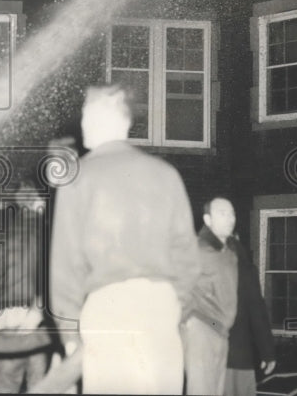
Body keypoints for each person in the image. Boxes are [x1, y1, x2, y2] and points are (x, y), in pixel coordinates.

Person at [50, 85, 200, 395]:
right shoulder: (166, 174)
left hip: (108, 311)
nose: (82, 124)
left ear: (114, 120)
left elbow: (65, 267)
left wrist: (68, 335)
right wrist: (174, 308)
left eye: (87, 115)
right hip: (160, 310)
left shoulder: (77, 177)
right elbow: (187, 257)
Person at [0, 177, 51, 393]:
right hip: (38, 323)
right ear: (38, 200)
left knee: (5, 387)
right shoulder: (49, 232)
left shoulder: (0, 234)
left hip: (6, 322)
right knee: (39, 387)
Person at [184, 198, 240, 395]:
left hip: (220, 330)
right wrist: (188, 320)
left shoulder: (229, 252)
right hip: (202, 327)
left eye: (232, 213)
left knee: (215, 390)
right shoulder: (198, 249)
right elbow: (177, 286)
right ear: (207, 219)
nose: (230, 218)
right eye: (222, 213)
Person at [224, 231, 276, 396]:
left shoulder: (244, 271)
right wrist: (267, 353)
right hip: (235, 353)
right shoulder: (246, 270)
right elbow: (257, 316)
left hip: (228, 352)